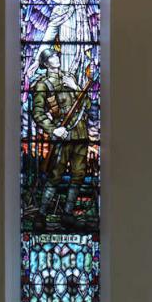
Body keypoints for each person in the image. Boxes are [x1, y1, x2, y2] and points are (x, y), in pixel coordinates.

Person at [31, 49, 91, 232]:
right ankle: (41, 214)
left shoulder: (70, 78)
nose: (56, 58)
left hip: (80, 133)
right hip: (62, 136)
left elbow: (87, 104)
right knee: (54, 175)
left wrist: (75, 87)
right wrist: (53, 130)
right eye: (51, 57)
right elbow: (38, 113)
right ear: (45, 63)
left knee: (79, 174)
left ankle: (67, 214)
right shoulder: (43, 84)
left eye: (56, 55)